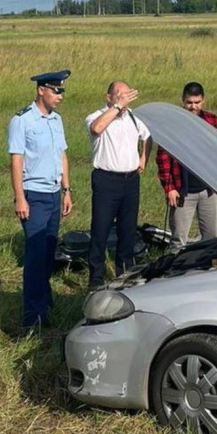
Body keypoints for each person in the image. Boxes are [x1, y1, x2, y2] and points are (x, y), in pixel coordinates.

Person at [8, 70, 73, 328]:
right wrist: (20, 198)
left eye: (62, 91)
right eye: (55, 90)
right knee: (35, 255)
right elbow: (16, 160)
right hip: (33, 195)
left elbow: (62, 156)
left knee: (48, 251)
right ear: (41, 90)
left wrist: (67, 190)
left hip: (54, 193)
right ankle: (32, 318)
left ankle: (45, 304)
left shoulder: (56, 120)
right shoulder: (22, 120)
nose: (59, 96)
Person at [85, 80, 150, 289]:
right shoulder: (96, 116)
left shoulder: (133, 118)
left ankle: (125, 274)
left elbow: (148, 136)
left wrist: (143, 157)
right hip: (106, 180)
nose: (125, 100)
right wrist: (117, 107)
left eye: (127, 96)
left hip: (130, 180)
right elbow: (97, 129)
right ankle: (96, 278)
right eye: (120, 96)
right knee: (101, 230)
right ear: (109, 97)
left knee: (128, 229)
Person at [156, 82, 217, 251]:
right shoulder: (171, 125)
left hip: (209, 190)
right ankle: (174, 273)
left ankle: (208, 271)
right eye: (189, 103)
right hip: (182, 191)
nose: (193, 106)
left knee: (211, 238)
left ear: (203, 101)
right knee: (178, 239)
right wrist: (169, 188)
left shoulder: (212, 121)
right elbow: (163, 157)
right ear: (183, 101)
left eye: (197, 102)